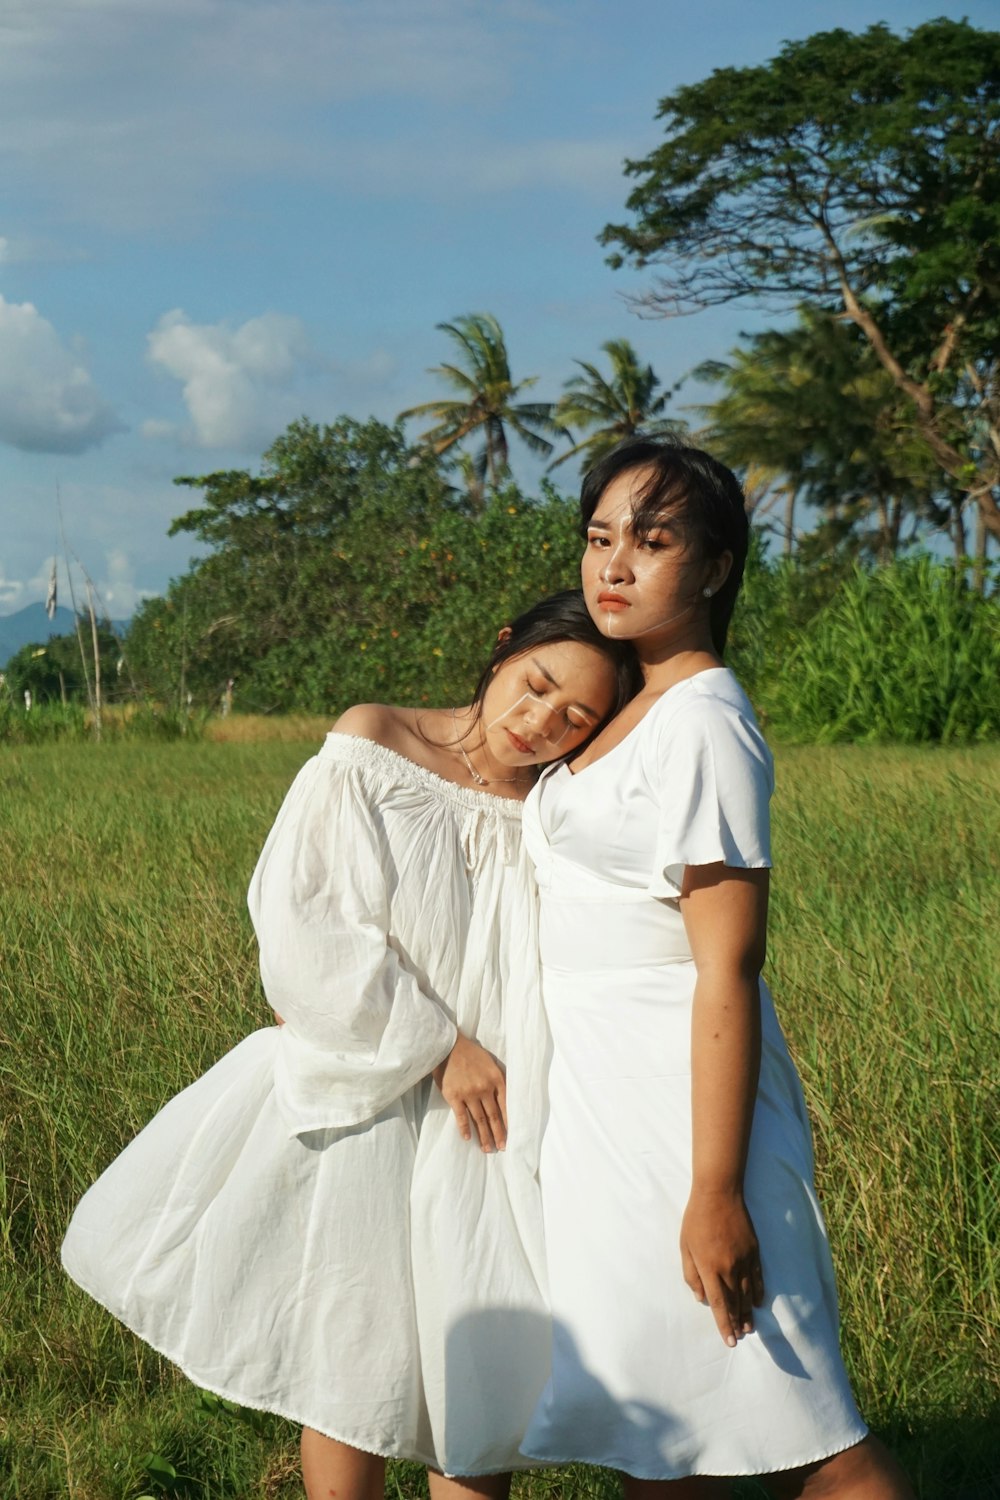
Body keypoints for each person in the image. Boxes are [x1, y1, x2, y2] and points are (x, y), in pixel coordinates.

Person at [61, 590, 639, 1500]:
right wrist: (440, 1046)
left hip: (491, 1115)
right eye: (534, 686)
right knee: (350, 1364)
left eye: (576, 716)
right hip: (368, 1088)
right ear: (501, 650)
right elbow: (304, 917)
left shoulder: (559, 806)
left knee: (483, 1371)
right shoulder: (375, 743)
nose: (540, 723)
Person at [519, 443, 913, 1499]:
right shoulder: (627, 707)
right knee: (666, 1428)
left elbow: (727, 968)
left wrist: (713, 1190)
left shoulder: (701, 723)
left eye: (652, 542)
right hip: (604, 1118)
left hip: (684, 1120)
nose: (614, 565)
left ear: (715, 568)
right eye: (600, 538)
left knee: (807, 1440)